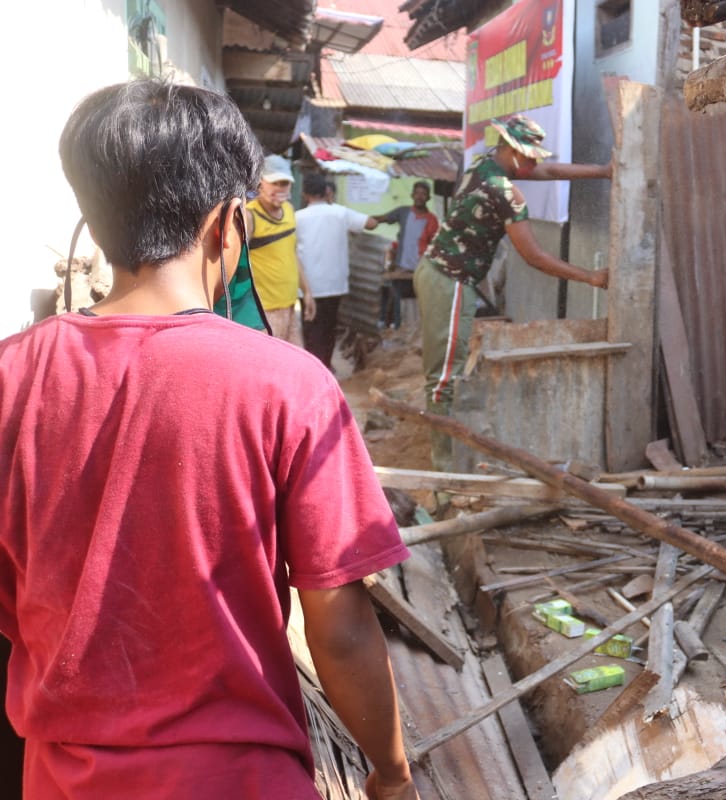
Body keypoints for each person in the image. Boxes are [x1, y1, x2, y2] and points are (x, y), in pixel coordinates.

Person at [0, 79, 420, 800]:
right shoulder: (289, 385)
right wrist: (390, 772)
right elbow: (341, 626)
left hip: (61, 776)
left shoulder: (13, 374)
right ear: (229, 224)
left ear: (95, 225)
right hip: (239, 779)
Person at [416, 114, 610, 469]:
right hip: (450, 280)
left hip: (433, 271)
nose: (536, 163)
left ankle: (448, 454)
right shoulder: (504, 192)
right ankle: (446, 472)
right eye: (530, 156)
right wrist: (590, 277)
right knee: (445, 378)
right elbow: (534, 255)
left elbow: (548, 173)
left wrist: (602, 171)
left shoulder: (485, 164)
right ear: (514, 152)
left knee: (443, 372)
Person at [295, 172, 388, 369]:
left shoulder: (297, 218)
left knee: (311, 330)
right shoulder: (340, 213)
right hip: (335, 284)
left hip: (308, 286)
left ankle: (312, 369)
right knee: (329, 328)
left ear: (304, 194)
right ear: (327, 192)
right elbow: (372, 223)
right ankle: (326, 366)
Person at [247, 154, 315, 347]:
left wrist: (307, 291)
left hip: (290, 306)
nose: (280, 189)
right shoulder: (249, 217)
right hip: (263, 312)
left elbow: (291, 254)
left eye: (284, 183)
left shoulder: (289, 211)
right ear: (260, 183)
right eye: (275, 183)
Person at [378, 181, 440, 330]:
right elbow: (384, 218)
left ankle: (418, 334)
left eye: (423, 194)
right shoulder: (403, 213)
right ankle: (400, 331)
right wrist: (364, 221)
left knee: (421, 304)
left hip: (421, 270)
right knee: (399, 303)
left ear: (428, 198)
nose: (420, 197)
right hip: (402, 270)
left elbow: (435, 246)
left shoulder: (432, 220)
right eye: (417, 193)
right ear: (412, 195)